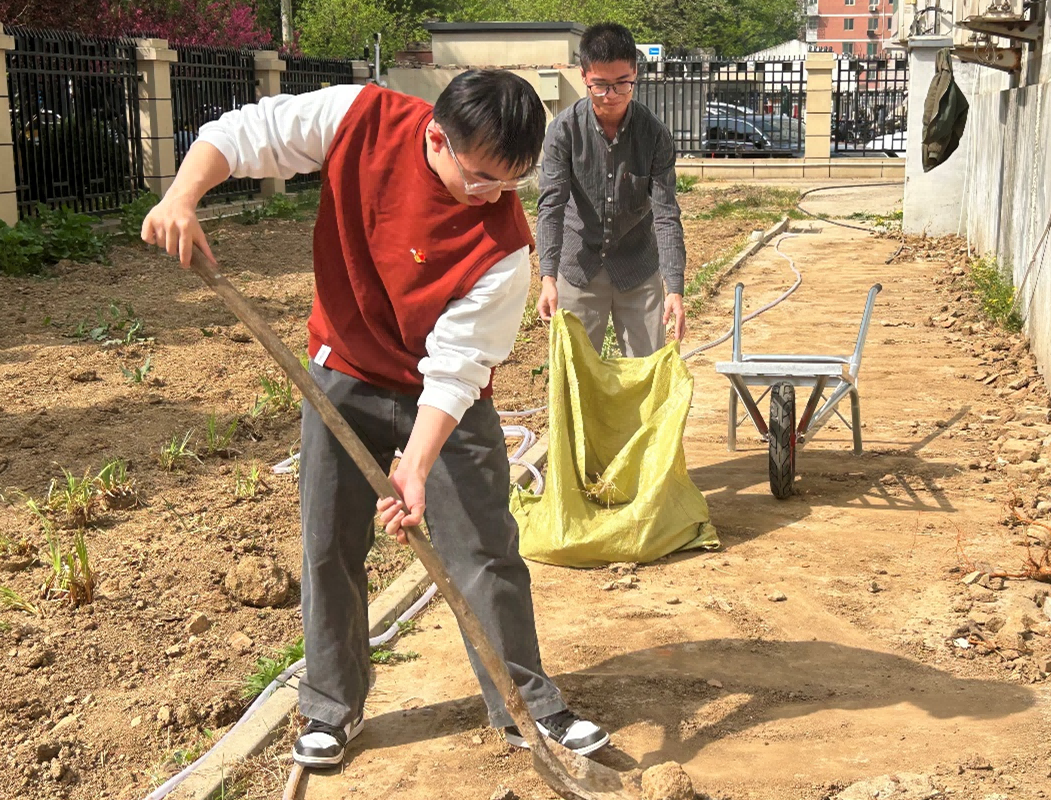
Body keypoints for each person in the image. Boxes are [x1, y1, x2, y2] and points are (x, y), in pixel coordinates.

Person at [141, 71, 610, 768]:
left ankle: (527, 707)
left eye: (511, 182)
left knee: (484, 549)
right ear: (437, 137)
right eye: (481, 177)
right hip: (345, 371)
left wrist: (414, 468)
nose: (492, 196)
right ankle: (332, 708)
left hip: (446, 397)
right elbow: (242, 134)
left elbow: (457, 368)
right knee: (329, 543)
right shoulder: (359, 118)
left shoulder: (506, 246)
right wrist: (182, 195)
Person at [536, 22, 687, 357]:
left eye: (622, 84)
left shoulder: (654, 134)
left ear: (635, 73)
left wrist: (674, 288)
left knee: (647, 370)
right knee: (574, 372)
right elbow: (551, 207)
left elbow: (666, 214)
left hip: (637, 266)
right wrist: (548, 277)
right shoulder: (563, 131)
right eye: (600, 85)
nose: (612, 96)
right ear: (583, 76)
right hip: (578, 266)